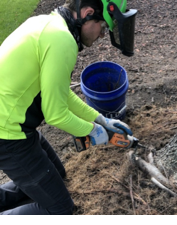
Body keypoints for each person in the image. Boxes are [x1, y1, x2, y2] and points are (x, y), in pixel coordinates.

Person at [0, 0, 135, 215]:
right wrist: (95, 132)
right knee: (60, 209)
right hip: (8, 136)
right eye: (103, 26)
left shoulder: (47, 24)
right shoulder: (62, 40)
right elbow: (56, 115)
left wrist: (101, 119)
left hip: (11, 123)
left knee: (56, 174)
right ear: (88, 13)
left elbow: (60, 92)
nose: (102, 35)